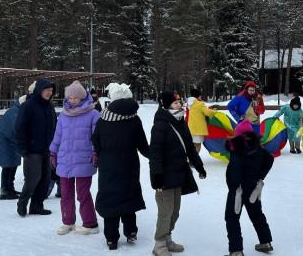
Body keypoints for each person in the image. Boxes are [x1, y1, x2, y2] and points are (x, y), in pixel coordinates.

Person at [93, 83, 150, 250]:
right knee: (128, 196)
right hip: (129, 165)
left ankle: (111, 238)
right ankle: (131, 231)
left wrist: (102, 153)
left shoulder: (103, 118)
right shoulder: (134, 119)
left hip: (108, 165)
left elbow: (96, 140)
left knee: (110, 198)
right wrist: (157, 156)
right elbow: (143, 145)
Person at [150, 91, 207, 256]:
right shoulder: (160, 125)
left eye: (180, 103)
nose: (180, 105)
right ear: (167, 106)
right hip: (164, 177)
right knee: (165, 211)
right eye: (175, 103)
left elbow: (189, 147)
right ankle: (159, 244)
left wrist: (199, 166)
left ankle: (167, 238)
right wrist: (157, 177)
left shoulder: (181, 122)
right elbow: (155, 154)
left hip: (178, 174)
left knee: (175, 211)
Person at [49, 81, 100, 235]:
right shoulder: (63, 115)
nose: (72, 100)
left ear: (83, 98)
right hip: (65, 158)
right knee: (65, 193)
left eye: (76, 98)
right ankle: (68, 222)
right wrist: (53, 151)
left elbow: (97, 137)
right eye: (70, 98)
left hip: (84, 158)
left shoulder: (93, 114)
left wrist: (95, 152)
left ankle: (90, 224)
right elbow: (58, 135)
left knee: (83, 193)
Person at [224, 120, 274, 256]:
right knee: (257, 214)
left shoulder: (237, 149)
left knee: (232, 217)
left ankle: (236, 251)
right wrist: (260, 177)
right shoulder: (258, 148)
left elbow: (235, 169)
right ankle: (265, 242)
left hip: (238, 191)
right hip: (253, 188)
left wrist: (234, 186)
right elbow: (270, 159)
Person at [0, 82, 35, 200]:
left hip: (9, 140)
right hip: (4, 140)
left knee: (13, 163)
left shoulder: (20, 109)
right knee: (8, 164)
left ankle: (9, 188)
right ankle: (5, 191)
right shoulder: (16, 112)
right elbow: (14, 131)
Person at [15, 78, 57, 217]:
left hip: (47, 148)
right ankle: (22, 203)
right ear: (40, 89)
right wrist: (22, 148)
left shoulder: (50, 106)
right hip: (32, 150)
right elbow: (20, 127)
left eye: (51, 91)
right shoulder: (28, 105)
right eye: (47, 90)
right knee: (33, 179)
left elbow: (54, 126)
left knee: (45, 180)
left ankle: (37, 206)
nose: (49, 93)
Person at [186, 88, 218, 154]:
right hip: (198, 129)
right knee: (197, 145)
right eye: (200, 95)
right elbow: (207, 113)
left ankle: (190, 159)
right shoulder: (200, 104)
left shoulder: (189, 104)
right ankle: (194, 160)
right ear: (198, 96)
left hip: (190, 127)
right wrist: (215, 111)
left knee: (192, 144)